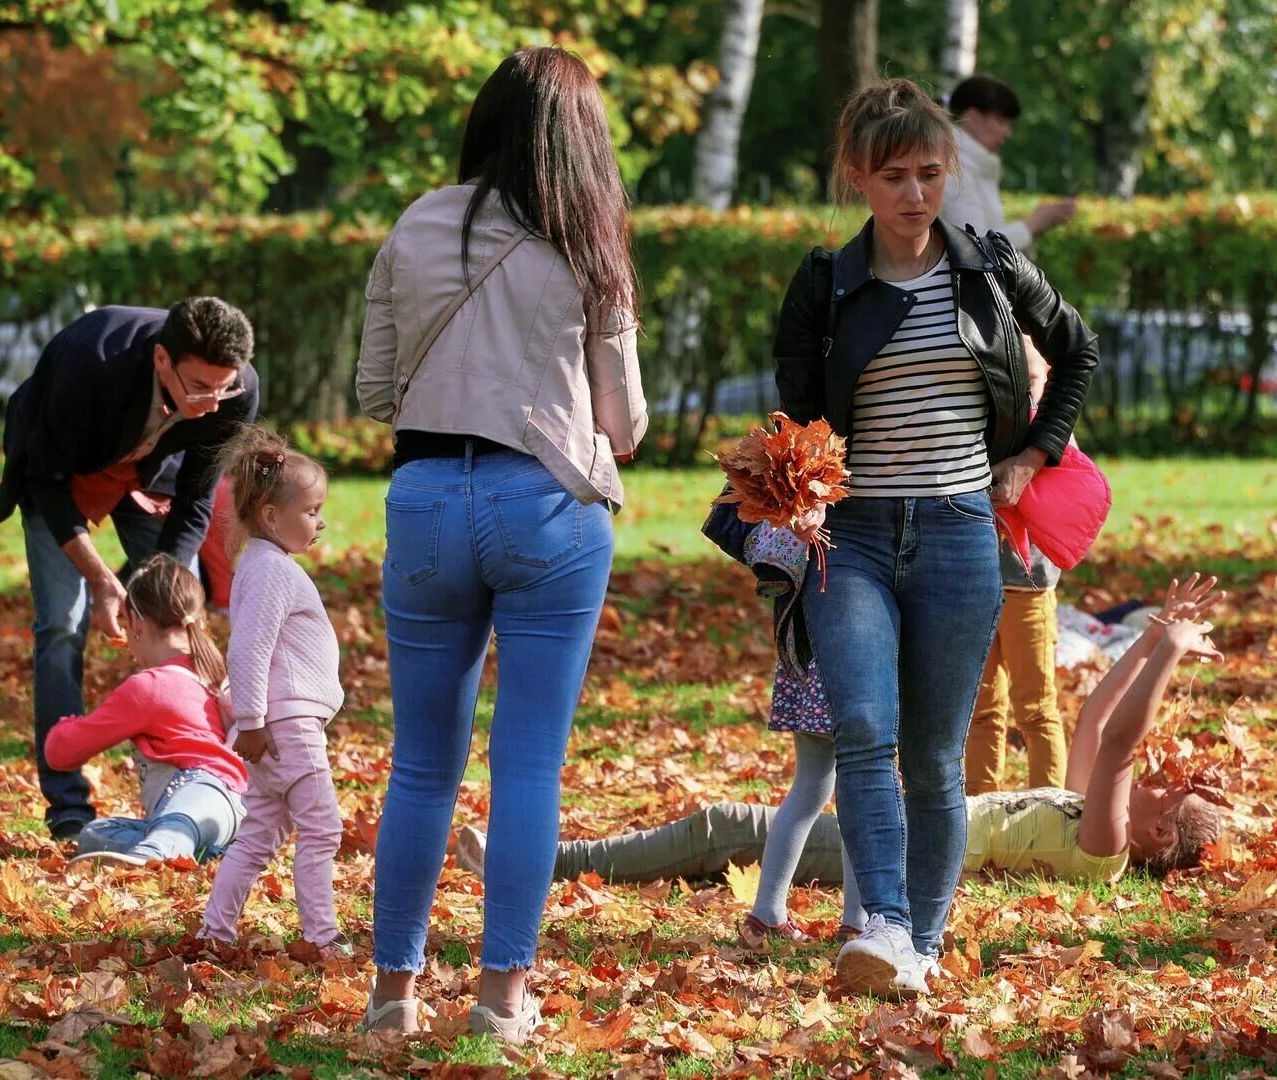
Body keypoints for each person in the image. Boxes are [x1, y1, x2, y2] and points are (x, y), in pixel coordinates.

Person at [773, 77, 1099, 997]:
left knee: (933, 756)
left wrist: (1035, 457)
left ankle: (922, 939)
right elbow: (794, 416)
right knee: (866, 731)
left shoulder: (991, 267)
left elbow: (1077, 350)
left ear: (948, 173)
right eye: (893, 178)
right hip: (857, 538)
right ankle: (879, 926)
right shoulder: (824, 286)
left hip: (961, 536)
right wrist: (795, 493)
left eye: (928, 174)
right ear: (858, 179)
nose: (914, 195)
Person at [354, 46, 647, 1043]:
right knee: (528, 769)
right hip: (549, 507)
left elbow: (376, 390)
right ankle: (499, 1004)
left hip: (428, 496)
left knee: (420, 769)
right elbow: (625, 424)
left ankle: (391, 999)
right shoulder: (586, 237)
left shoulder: (418, 222)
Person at [455, 576, 1229, 905]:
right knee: (732, 836)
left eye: (1172, 790)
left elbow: (1123, 745)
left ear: (1161, 831)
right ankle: (554, 861)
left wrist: (1165, 657)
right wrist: (1154, 633)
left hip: (901, 852)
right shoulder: (1084, 810)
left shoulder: (1106, 850)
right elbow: (1096, 721)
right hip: (905, 824)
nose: (1164, 773)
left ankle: (539, 863)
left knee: (727, 828)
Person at [0, 298, 259, 841]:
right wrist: (101, 578)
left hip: (152, 473)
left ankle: (200, 781)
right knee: (61, 626)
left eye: (223, 388)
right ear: (162, 359)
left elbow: (197, 496)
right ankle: (68, 808)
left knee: (181, 616)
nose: (213, 403)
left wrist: (157, 579)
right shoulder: (91, 362)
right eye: (199, 387)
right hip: (61, 470)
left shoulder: (237, 392)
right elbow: (44, 478)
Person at [198, 427, 347, 957]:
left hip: (278, 725)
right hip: (285, 727)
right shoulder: (269, 571)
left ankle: (215, 931)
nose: (320, 520)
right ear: (269, 516)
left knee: (259, 834)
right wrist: (255, 721)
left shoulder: (264, 567)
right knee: (323, 829)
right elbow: (248, 650)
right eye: (311, 510)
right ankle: (322, 938)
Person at [44, 555, 248, 867]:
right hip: (234, 813)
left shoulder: (149, 687)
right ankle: (194, 853)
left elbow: (60, 752)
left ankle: (159, 851)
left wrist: (66, 723)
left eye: (125, 624)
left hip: (207, 795)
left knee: (179, 819)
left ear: (137, 623)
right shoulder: (209, 671)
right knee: (95, 833)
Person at [966, 355, 1064, 795]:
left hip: (1028, 588)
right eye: (1014, 380)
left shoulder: (1049, 435)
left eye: (1034, 379)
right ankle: (980, 812)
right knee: (982, 708)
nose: (1025, 390)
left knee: (1036, 709)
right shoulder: (979, 423)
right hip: (974, 589)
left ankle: (1050, 809)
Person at [939, 75, 1076, 253]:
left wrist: (1038, 225)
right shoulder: (955, 168)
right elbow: (974, 249)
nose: (1007, 133)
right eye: (1001, 122)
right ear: (972, 118)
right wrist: (1033, 222)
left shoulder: (973, 165)